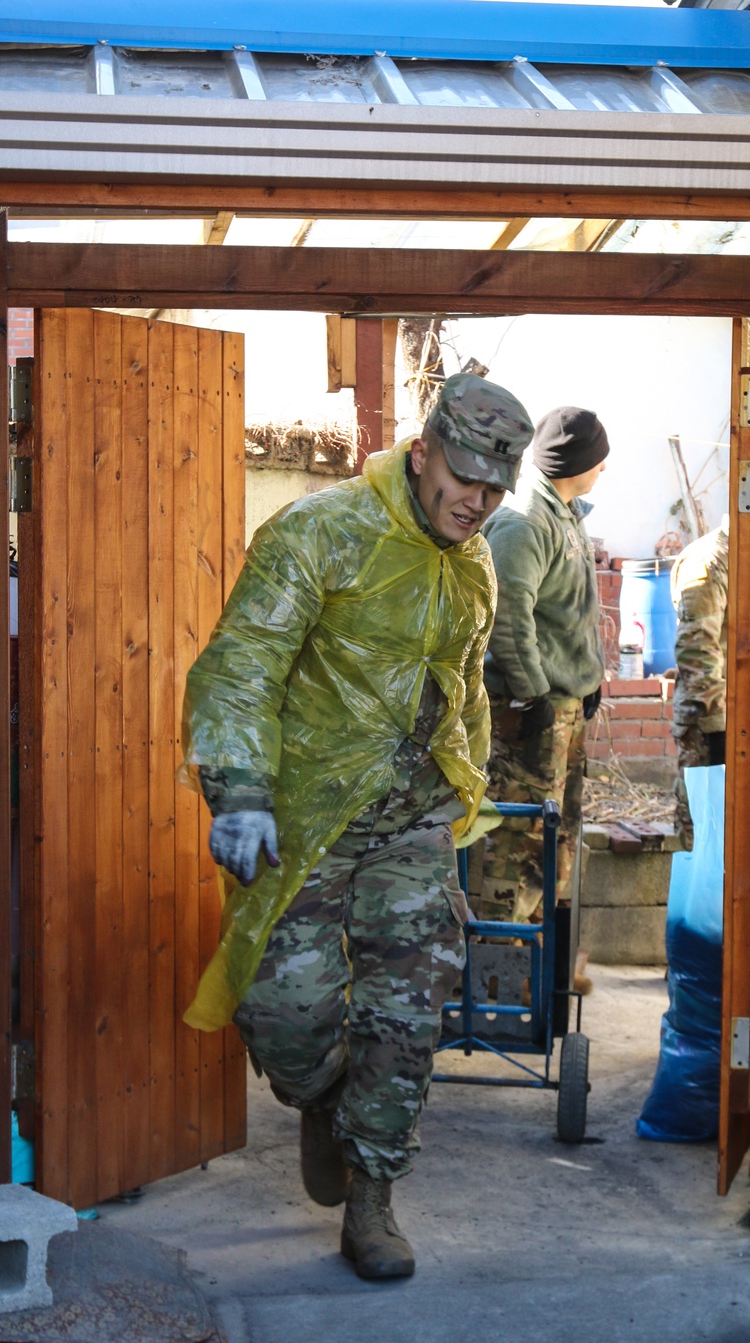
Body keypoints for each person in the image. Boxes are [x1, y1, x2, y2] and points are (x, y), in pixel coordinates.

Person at [180, 372, 533, 1281]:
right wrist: (241, 789)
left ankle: (373, 1200)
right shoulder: (321, 532)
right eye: (464, 479)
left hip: (412, 816)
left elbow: (466, 684)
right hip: (304, 809)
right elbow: (243, 663)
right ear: (422, 455)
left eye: (496, 488)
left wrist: (468, 784)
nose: (478, 502)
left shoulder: (476, 560)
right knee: (286, 1013)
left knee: (407, 1005)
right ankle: (319, 1098)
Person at [474, 406, 609, 927]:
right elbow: (507, 614)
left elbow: (566, 613)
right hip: (532, 710)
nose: (605, 468)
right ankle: (495, 977)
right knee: (516, 846)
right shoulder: (526, 519)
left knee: (553, 840)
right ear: (575, 461)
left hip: (562, 707)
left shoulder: (564, 513)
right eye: (599, 458)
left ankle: (534, 972)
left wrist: (588, 679)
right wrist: (531, 694)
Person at [670, 518, 729, 850]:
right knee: (703, 842)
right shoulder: (707, 562)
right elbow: (697, 653)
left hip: (736, 724)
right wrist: (719, 731)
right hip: (710, 732)